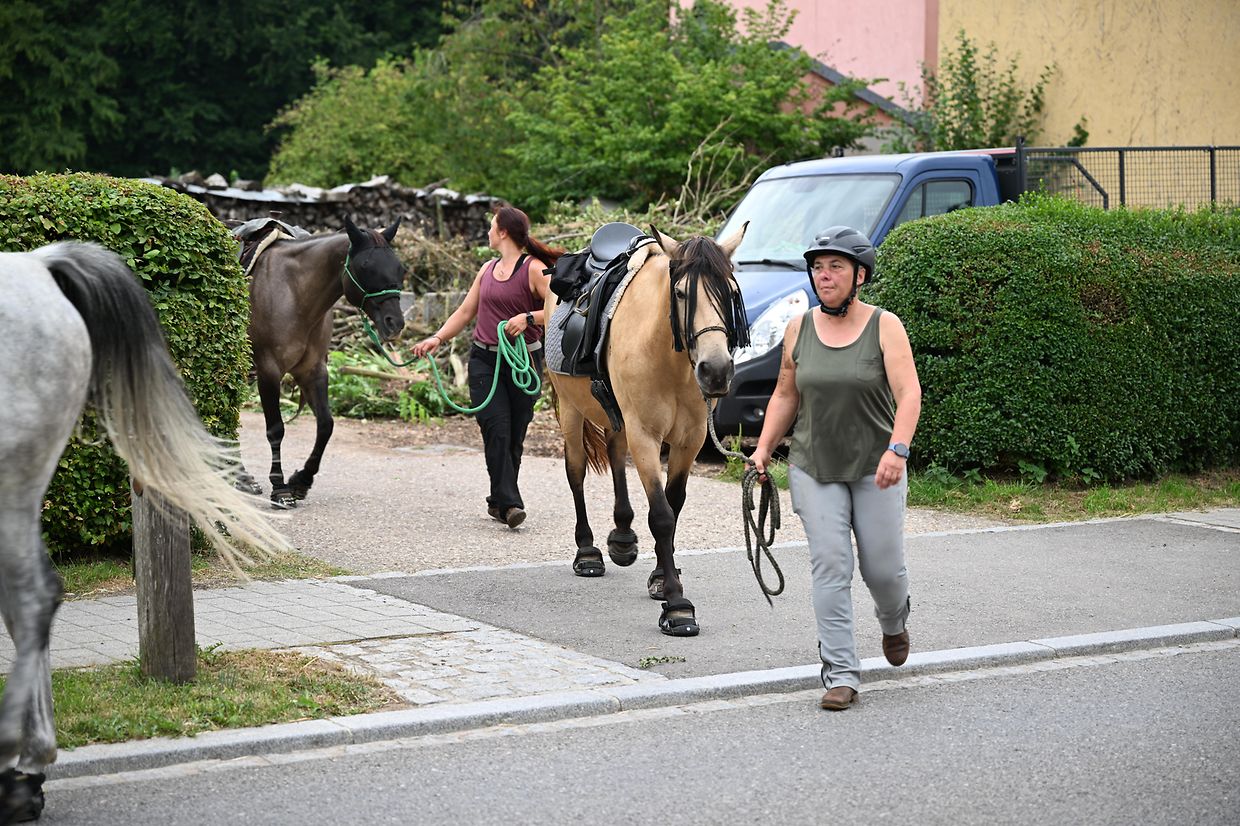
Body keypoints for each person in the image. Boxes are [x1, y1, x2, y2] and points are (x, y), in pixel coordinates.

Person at [749, 225, 922, 711]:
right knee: (831, 565)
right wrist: (763, 449)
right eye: (818, 268)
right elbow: (785, 394)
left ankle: (894, 620)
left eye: (835, 267)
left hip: (876, 466)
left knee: (883, 570)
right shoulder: (798, 328)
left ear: (859, 275)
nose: (824, 276)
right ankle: (842, 673)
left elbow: (909, 393)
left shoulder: (885, 325)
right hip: (814, 465)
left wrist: (898, 450)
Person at [411, 205, 563, 529]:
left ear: (503, 232)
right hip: (484, 359)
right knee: (496, 429)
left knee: (514, 436)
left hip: (523, 362)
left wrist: (527, 318)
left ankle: (498, 501)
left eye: (492, 226)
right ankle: (510, 504)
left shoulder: (534, 269)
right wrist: (437, 338)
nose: (488, 232)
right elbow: (466, 312)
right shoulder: (487, 269)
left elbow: (559, 309)